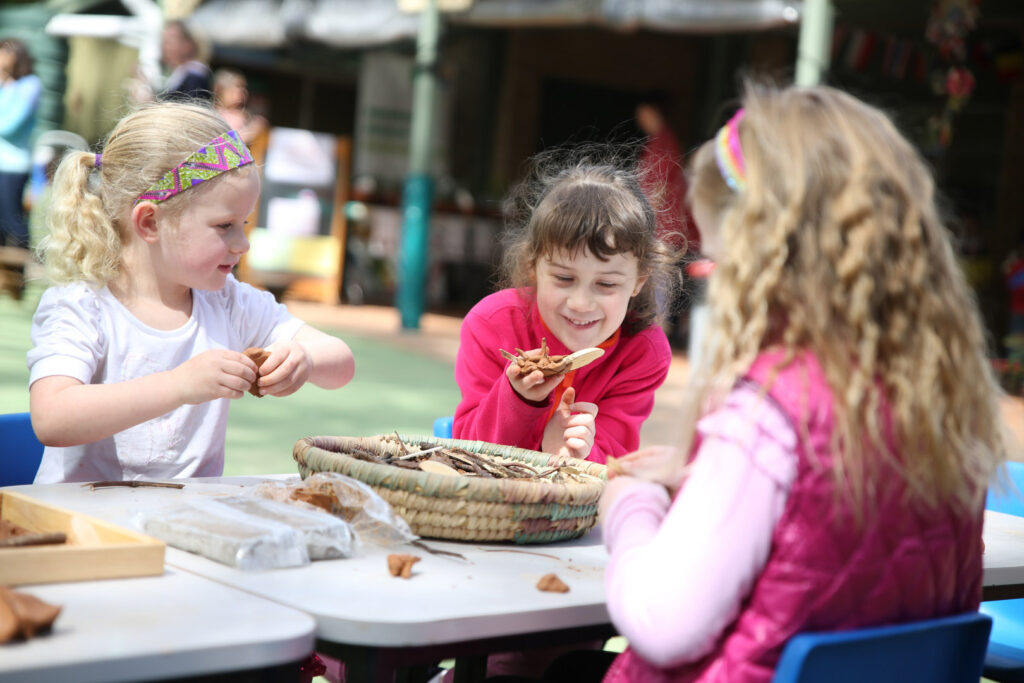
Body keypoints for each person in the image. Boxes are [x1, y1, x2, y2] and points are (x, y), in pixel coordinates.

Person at [597, 82, 1006, 682]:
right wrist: (701, 476)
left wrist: (630, 505)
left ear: (766, 261)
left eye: (724, 264)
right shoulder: (944, 401)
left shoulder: (767, 413)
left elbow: (663, 625)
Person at [26, 101, 355, 484]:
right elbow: (52, 417)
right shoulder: (83, 305)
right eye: (225, 225)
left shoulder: (229, 302)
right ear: (150, 222)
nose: (242, 244)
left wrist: (305, 362)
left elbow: (342, 364)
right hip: (84, 526)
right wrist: (177, 385)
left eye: (244, 223)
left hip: (181, 523)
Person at [453, 151, 681, 466]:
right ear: (533, 266)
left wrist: (582, 453)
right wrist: (518, 398)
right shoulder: (491, 325)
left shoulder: (643, 351)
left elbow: (615, 463)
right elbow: (465, 453)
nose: (580, 303)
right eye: (563, 278)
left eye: (606, 285)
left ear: (639, 282)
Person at [0, 37, 42, 250]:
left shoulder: (30, 85)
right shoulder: (5, 84)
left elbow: (9, 126)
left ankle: (27, 264)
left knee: (11, 220)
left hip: (13, 165)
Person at [213, 68, 269, 146]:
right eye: (238, 87)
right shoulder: (215, 116)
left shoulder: (247, 114)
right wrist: (252, 131)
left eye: (244, 88)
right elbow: (226, 145)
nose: (243, 92)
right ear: (220, 89)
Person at [158, 20, 212, 101]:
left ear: (188, 45)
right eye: (164, 41)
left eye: (170, 40)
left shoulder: (194, 76)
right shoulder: (179, 74)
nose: (164, 46)